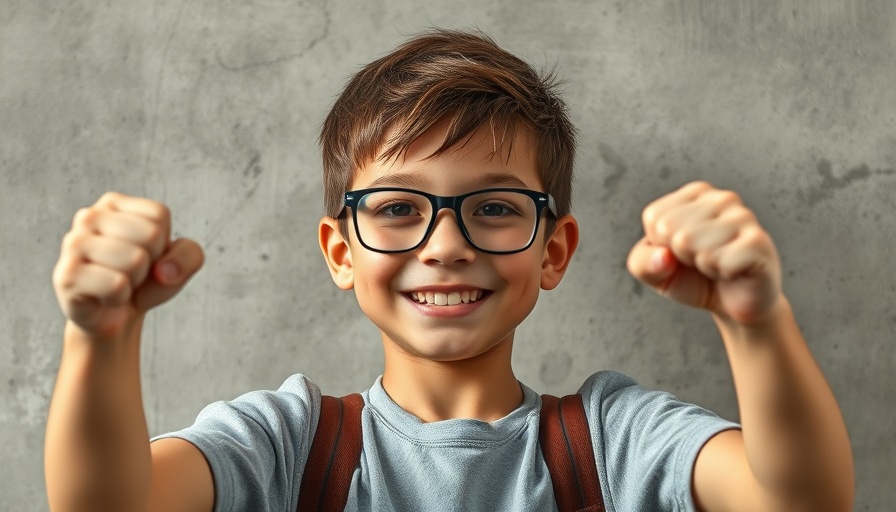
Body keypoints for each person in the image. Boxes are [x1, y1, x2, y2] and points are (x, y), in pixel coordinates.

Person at [45, 29, 853, 511]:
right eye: (399, 207)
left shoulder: (616, 441)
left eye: (494, 207)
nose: (445, 244)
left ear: (553, 250)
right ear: (340, 251)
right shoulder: (286, 444)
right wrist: (100, 337)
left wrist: (755, 321)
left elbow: (800, 501)